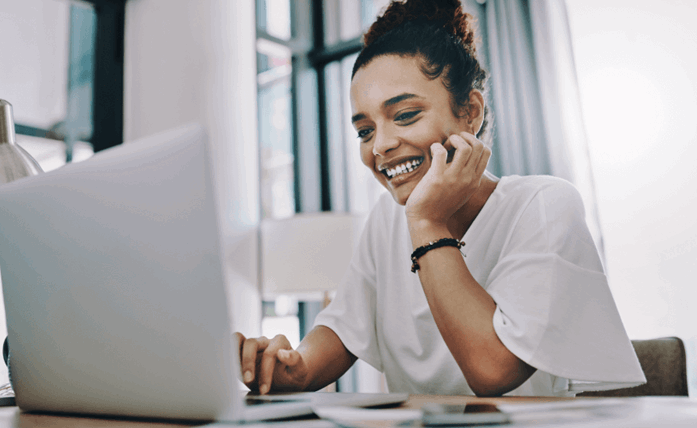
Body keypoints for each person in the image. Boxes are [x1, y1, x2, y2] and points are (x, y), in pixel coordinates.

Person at [235, 0, 645, 397]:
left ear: (470, 111)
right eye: (364, 130)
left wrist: (428, 222)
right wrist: (293, 368)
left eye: (406, 115)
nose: (380, 146)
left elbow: (493, 370)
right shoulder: (386, 219)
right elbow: (342, 329)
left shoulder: (544, 204)